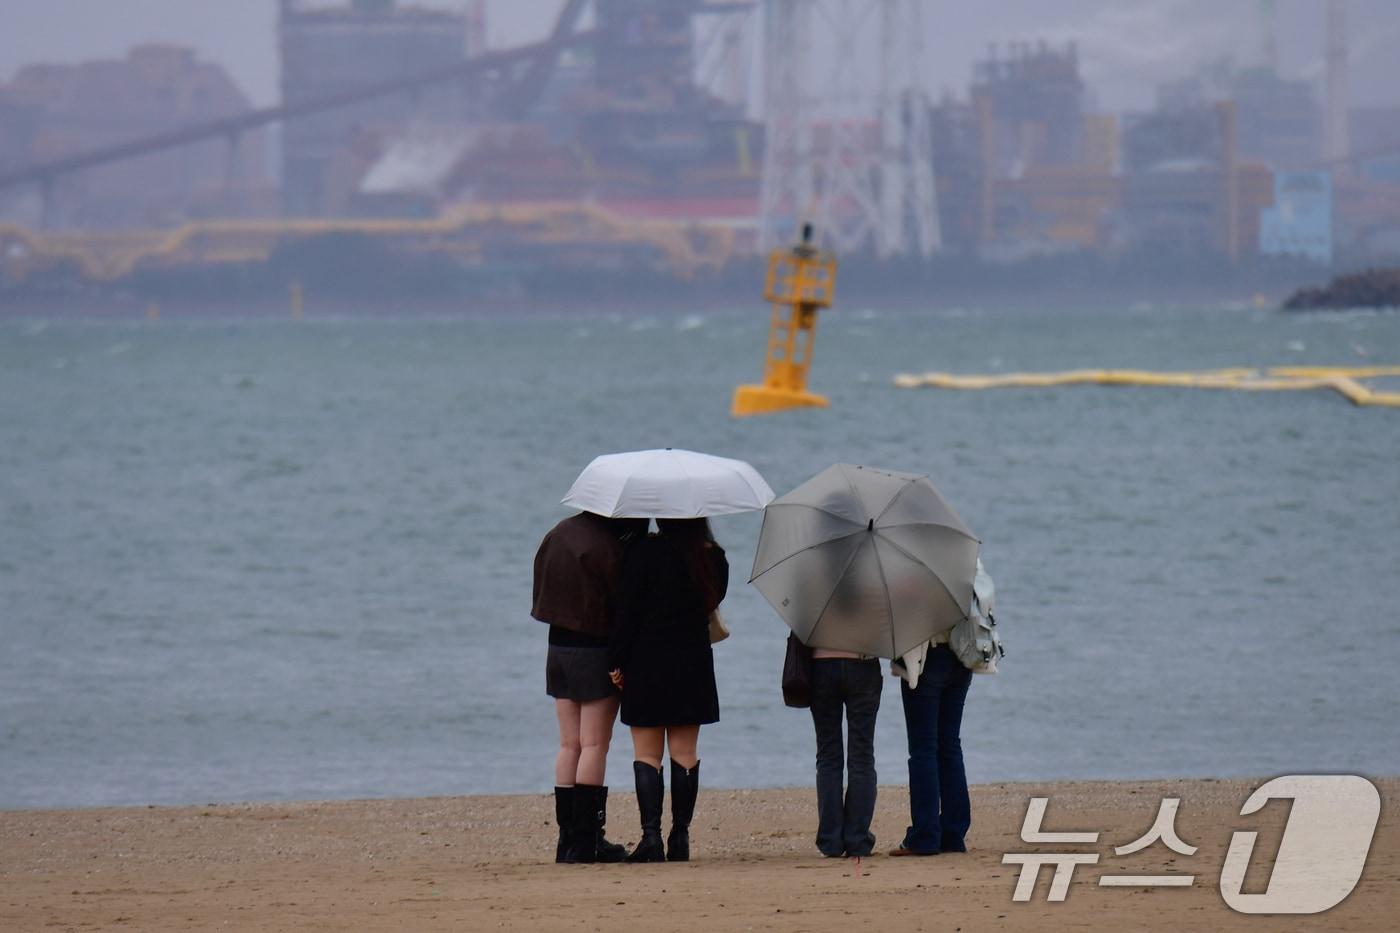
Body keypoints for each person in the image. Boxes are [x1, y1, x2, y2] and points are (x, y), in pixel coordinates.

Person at [608, 518, 727, 863]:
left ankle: (651, 838)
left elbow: (626, 613)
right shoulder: (712, 557)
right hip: (692, 662)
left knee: (647, 755)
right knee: (685, 752)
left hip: (645, 661)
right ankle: (680, 837)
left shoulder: (641, 552)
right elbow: (712, 602)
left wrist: (616, 660)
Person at [531, 510, 646, 864]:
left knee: (569, 744)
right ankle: (588, 840)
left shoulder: (557, 533)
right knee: (594, 744)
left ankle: (566, 840)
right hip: (594, 649)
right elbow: (620, 605)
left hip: (557, 648)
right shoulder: (609, 546)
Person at [887, 559, 992, 856]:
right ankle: (954, 834)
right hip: (963, 655)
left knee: (923, 749)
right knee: (949, 745)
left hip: (927, 658)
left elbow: (901, 610)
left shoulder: (911, 561)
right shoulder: (964, 553)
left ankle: (925, 835)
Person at [808, 643, 883, 858]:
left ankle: (830, 839)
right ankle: (857, 838)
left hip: (821, 663)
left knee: (827, 754)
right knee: (862, 755)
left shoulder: (815, 605)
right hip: (863, 661)